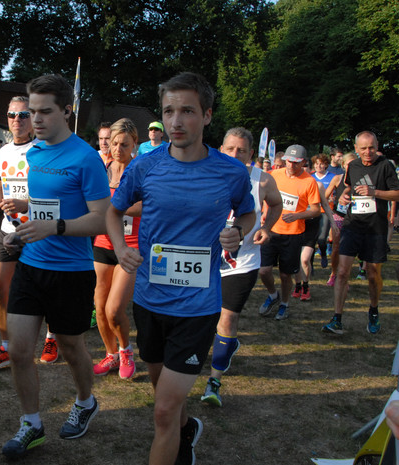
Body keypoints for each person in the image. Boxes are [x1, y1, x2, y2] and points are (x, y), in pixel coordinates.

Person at [107, 72, 255, 465]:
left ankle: (176, 434)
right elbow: (114, 210)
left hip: (197, 307)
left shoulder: (231, 172)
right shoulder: (145, 166)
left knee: (161, 411)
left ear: (206, 116)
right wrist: (121, 248)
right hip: (151, 301)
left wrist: (237, 232)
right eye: (168, 111)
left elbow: (248, 212)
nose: (175, 121)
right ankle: (187, 430)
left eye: (186, 111)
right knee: (165, 400)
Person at [0, 74, 110, 460]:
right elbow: (49, 203)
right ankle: (31, 423)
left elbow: (100, 219)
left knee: (70, 347)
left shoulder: (86, 158)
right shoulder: (34, 153)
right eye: (32, 112)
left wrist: (54, 227)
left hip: (72, 271)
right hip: (31, 263)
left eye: (45, 111)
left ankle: (85, 401)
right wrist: (25, 210)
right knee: (17, 350)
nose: (37, 119)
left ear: (67, 110)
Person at [201, 127, 282, 407]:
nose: (236, 155)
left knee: (227, 318)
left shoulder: (262, 180)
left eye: (242, 150)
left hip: (243, 262)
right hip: (208, 259)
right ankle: (225, 347)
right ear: (221, 150)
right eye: (230, 149)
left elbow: (277, 204)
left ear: (250, 154)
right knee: (205, 317)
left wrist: (267, 228)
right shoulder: (207, 174)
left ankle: (214, 380)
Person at [0, 96, 59, 369]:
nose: (17, 120)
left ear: (33, 118)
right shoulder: (3, 152)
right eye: (12, 115)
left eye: (23, 115)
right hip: (8, 228)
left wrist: (28, 204)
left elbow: (57, 195)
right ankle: (7, 347)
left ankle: (51, 336)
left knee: (45, 291)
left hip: (38, 229)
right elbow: (1, 185)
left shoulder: (45, 150)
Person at [322, 131, 399, 335]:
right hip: (352, 225)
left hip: (376, 228)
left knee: (373, 275)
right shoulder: (352, 166)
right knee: (342, 272)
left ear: (377, 145)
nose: (368, 152)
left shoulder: (385, 166)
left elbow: (397, 193)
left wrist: (375, 193)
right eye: (363, 148)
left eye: (371, 147)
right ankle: (337, 318)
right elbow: (348, 187)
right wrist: (344, 198)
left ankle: (373, 310)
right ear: (356, 149)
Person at [91, 118, 141, 380]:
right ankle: (110, 354)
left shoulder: (140, 170)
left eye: (124, 144)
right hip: (103, 243)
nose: (118, 148)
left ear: (135, 144)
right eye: (114, 143)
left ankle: (126, 350)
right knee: (99, 307)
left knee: (114, 309)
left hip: (130, 247)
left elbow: (147, 205)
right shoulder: (104, 169)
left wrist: (115, 207)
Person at [258, 144, 321, 321]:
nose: (291, 166)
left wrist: (297, 216)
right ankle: (273, 296)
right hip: (271, 230)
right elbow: (264, 194)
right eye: (288, 162)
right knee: (263, 271)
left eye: (296, 163)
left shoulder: (309, 181)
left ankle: (284, 304)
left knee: (286, 275)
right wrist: (264, 212)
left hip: (293, 234)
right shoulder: (274, 174)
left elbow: (316, 210)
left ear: (303, 163)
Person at [325, 153, 358, 287]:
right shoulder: (338, 178)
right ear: (343, 165)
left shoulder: (360, 180)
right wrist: (331, 201)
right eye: (348, 164)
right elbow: (324, 196)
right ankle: (334, 273)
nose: (351, 167)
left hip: (355, 217)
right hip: (339, 216)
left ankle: (345, 277)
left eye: (354, 164)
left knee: (350, 249)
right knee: (337, 247)